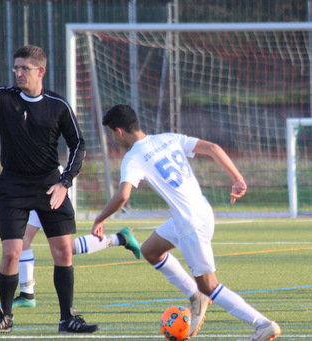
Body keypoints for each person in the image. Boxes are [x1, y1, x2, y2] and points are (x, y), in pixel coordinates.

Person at [92, 104, 281, 341]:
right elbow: (212, 148)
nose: (112, 138)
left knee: (210, 285)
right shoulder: (168, 138)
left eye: (111, 133)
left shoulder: (132, 158)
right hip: (200, 211)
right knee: (150, 250)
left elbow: (123, 196)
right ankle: (197, 297)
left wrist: (100, 218)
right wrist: (237, 178)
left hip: (190, 224)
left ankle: (262, 324)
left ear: (119, 131)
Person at [0, 35, 99, 334]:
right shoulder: (4, 98)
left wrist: (65, 183)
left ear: (40, 72)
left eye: (25, 69)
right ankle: (5, 317)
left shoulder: (58, 105)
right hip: (13, 188)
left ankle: (67, 319)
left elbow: (79, 144)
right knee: (11, 254)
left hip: (49, 186)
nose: (18, 73)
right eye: (16, 68)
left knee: (64, 252)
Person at [11, 209, 141, 308]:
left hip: (49, 190)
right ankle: (26, 293)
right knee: (24, 239)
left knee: (63, 249)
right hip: (40, 189)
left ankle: (120, 238)